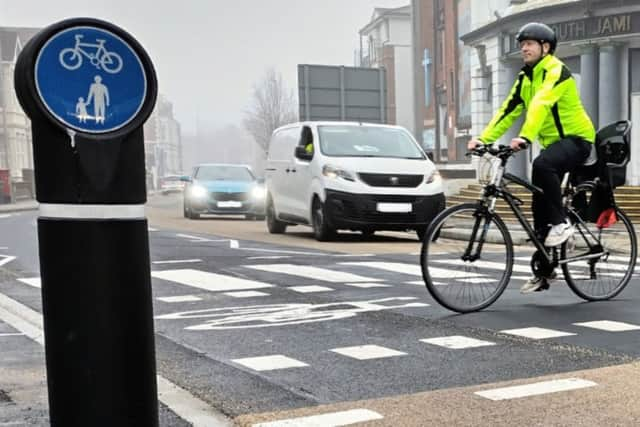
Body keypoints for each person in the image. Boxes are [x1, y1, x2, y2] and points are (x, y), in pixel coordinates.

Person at [467, 22, 596, 293]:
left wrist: (525, 137)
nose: (523, 48)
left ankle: (562, 224)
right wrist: (484, 139)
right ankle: (545, 270)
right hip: (553, 145)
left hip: (577, 140)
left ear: (545, 47)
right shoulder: (525, 78)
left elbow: (541, 103)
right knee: (539, 204)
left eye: (530, 43)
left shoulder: (556, 70)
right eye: (521, 43)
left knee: (541, 165)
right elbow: (507, 110)